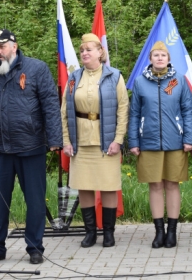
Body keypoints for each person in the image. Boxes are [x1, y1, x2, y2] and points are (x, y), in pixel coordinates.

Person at [0, 29, 62, 265]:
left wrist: (54, 139)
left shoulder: (36, 69)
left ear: (14, 46)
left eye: (1, 46)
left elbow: (50, 105)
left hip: (31, 146)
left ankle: (34, 247)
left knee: (36, 201)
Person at [62, 33, 129, 249]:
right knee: (84, 187)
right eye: (82, 50)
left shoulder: (115, 76)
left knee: (109, 187)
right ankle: (90, 232)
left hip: (106, 141)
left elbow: (123, 109)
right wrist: (66, 140)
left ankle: (108, 233)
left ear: (100, 52)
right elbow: (64, 112)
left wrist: (118, 139)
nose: (84, 53)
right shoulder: (73, 78)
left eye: (89, 49)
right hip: (80, 141)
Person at [128, 41, 192, 249]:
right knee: (155, 185)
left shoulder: (180, 81)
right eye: (155, 55)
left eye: (163, 55)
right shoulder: (140, 82)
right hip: (148, 142)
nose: (159, 58)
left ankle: (172, 232)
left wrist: (189, 138)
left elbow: (188, 110)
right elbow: (134, 114)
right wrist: (133, 140)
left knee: (172, 184)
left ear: (168, 59)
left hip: (175, 141)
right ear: (150, 59)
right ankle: (159, 232)